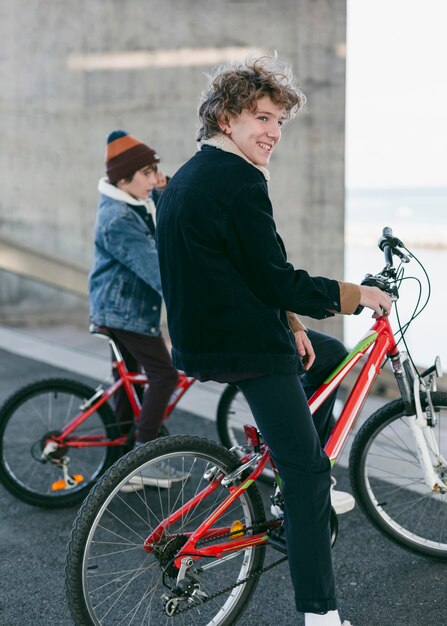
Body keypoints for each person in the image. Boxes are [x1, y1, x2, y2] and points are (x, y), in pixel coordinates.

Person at [155, 57, 392, 625]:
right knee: (312, 473)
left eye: (280, 121)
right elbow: (274, 277)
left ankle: (283, 477)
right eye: (263, 117)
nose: (274, 133)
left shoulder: (190, 175)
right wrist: (357, 294)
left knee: (327, 354)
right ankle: (321, 615)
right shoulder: (239, 181)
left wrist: (290, 321)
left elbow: (242, 268)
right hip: (242, 344)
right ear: (227, 116)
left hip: (203, 335)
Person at [88, 130, 179, 486]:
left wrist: (169, 182)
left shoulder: (132, 198)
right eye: (147, 174)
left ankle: (122, 466)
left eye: (155, 171)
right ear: (124, 180)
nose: (154, 181)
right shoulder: (119, 219)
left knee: (129, 385)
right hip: (125, 314)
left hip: (119, 309)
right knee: (165, 375)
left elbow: (165, 187)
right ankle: (142, 460)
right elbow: (156, 272)